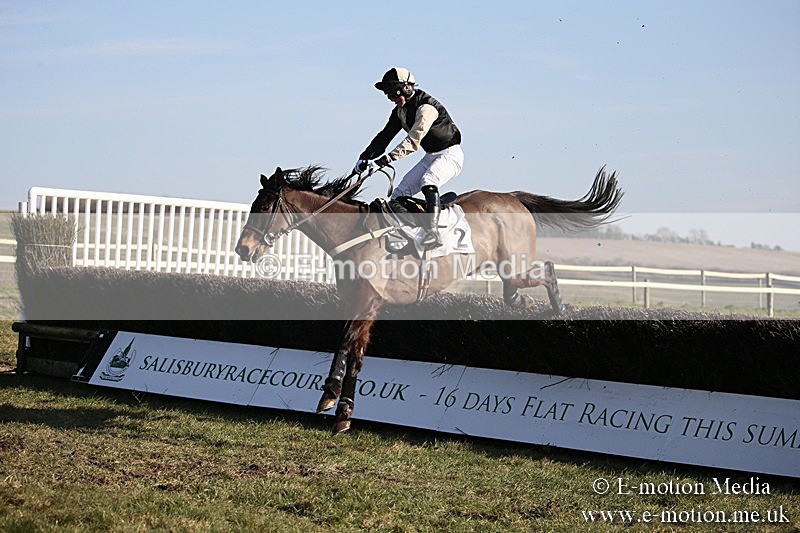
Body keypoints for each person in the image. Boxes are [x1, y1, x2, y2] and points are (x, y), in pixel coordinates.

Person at [354, 67, 463, 248]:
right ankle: (409, 233)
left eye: (394, 94)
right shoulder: (400, 110)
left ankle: (433, 233)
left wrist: (383, 161)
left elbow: (413, 142)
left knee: (428, 180)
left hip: (450, 154)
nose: (392, 99)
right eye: (389, 95)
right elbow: (385, 136)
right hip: (431, 156)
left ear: (406, 87)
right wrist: (364, 158)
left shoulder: (426, 108)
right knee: (398, 196)